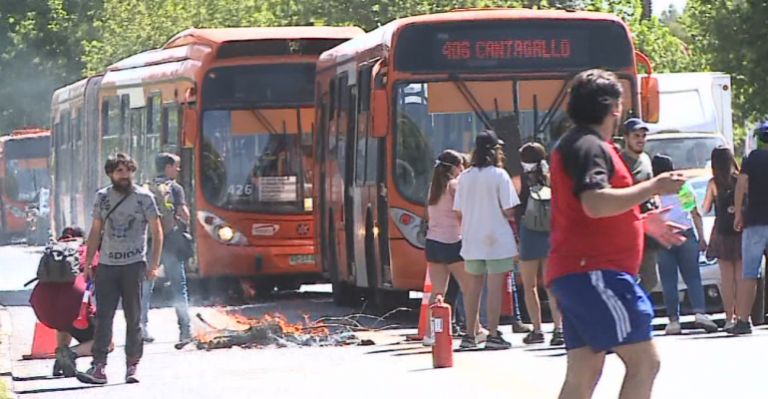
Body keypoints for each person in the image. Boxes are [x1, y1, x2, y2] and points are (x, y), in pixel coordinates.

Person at [546, 69, 687, 399]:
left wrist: (640, 221)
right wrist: (653, 186)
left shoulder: (581, 144)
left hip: (577, 272)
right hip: (595, 273)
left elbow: (590, 209)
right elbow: (594, 202)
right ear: (615, 108)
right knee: (645, 363)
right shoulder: (590, 146)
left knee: (584, 372)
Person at [77, 153, 163, 385]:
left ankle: (132, 365)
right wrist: (88, 263)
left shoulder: (144, 198)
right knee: (103, 318)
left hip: (133, 266)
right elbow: (95, 231)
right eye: (119, 171)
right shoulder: (102, 197)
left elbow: (157, 231)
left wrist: (154, 264)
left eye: (128, 170)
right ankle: (99, 366)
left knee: (134, 318)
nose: (125, 175)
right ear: (110, 174)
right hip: (107, 267)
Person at [453, 130, 520, 350]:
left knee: (473, 288)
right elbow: (509, 210)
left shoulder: (464, 177)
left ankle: (469, 334)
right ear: (495, 151)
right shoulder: (500, 175)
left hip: (472, 239)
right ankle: (492, 334)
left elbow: (458, 211)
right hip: (496, 239)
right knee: (494, 288)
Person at [29, 227, 114, 377]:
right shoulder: (86, 250)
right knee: (107, 343)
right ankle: (70, 353)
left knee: (63, 324)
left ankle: (60, 359)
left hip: (42, 305)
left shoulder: (54, 251)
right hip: (75, 302)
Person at [422, 149, 487, 346]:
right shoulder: (454, 186)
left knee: (437, 292)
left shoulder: (433, 188)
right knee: (469, 289)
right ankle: (475, 329)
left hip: (433, 243)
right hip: (452, 242)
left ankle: (430, 334)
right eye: (461, 167)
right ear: (456, 167)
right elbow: (462, 212)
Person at [651, 155, 718, 334]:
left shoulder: (653, 190)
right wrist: (701, 237)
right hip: (686, 234)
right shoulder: (682, 187)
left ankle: (673, 321)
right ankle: (700, 314)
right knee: (693, 276)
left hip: (664, 237)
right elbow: (694, 212)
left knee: (668, 280)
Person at [142, 153, 192, 343]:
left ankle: (141, 327)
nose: (178, 170)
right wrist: (183, 225)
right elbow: (184, 213)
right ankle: (185, 329)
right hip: (170, 243)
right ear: (167, 167)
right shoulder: (175, 188)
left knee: (146, 286)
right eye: (176, 166)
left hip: (150, 243)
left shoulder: (146, 187)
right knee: (179, 287)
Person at [517, 142, 564, 346]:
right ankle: (558, 328)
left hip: (528, 232)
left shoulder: (521, 179)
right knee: (551, 284)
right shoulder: (551, 177)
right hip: (550, 233)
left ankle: (537, 329)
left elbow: (516, 206)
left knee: (530, 285)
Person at [703, 146, 743, 331]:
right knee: (742, 278)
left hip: (722, 232)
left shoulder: (714, 183)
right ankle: (743, 316)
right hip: (740, 231)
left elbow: (705, 208)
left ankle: (729, 318)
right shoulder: (740, 180)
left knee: (726, 279)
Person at [733, 121, 768, 335]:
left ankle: (743, 320)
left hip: (754, 220)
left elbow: (740, 185)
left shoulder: (752, 158)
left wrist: (738, 213)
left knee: (750, 273)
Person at [620, 118, 659, 294]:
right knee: (627, 276)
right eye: (636, 136)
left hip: (647, 228)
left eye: (643, 136)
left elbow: (651, 186)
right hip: (627, 226)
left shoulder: (646, 159)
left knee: (651, 279)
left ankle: (633, 303)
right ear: (626, 137)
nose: (641, 140)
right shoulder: (620, 162)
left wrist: (655, 203)